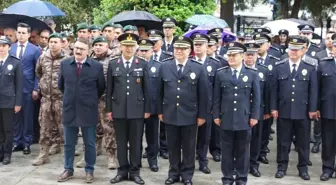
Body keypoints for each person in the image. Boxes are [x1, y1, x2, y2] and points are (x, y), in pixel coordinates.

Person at [157, 36, 208, 185]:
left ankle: (187, 175)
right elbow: (159, 92)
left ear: (189, 50)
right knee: (172, 146)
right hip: (170, 113)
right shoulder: (165, 66)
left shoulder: (198, 67)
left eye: (183, 48)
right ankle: (173, 174)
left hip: (190, 114)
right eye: (176, 48)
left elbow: (204, 94)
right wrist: (160, 111)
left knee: (188, 147)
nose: (179, 51)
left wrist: (202, 115)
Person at [57, 38, 105, 183]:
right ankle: (68, 169)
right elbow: (61, 85)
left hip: (88, 109)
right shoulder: (65, 64)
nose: (78, 51)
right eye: (76, 48)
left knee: (90, 143)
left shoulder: (96, 66)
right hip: (70, 108)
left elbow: (101, 88)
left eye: (82, 49)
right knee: (69, 143)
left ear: (88, 51)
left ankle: (89, 170)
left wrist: (88, 99)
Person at [213, 42, 260, 185]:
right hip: (226, 118)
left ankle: (241, 178)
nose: (231, 58)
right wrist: (216, 115)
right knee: (226, 151)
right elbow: (216, 97)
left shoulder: (252, 74)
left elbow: (257, 98)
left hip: (244, 118)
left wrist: (254, 116)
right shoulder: (221, 73)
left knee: (243, 152)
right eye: (229, 55)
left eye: (234, 55)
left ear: (242, 56)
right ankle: (227, 178)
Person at [270, 36, 317, 180]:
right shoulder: (280, 66)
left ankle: (303, 168)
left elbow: (313, 90)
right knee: (283, 141)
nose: (294, 52)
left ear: (303, 50)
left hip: (302, 110)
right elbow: (274, 90)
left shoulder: (310, 67)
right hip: (284, 109)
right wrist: (273, 108)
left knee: (303, 142)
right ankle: (281, 167)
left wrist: (313, 108)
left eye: (297, 50)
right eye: (291, 49)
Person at [107, 33, 150, 185]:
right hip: (118, 109)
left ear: (136, 47)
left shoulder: (143, 64)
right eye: (126, 45)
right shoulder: (113, 64)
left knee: (136, 142)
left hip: (137, 110)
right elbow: (110, 89)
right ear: (121, 46)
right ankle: (122, 171)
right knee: (120, 142)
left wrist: (147, 109)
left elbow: (147, 90)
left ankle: (135, 171)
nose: (129, 48)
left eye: (132, 46)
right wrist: (109, 109)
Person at [76, 36, 118, 170]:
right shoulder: (88, 60)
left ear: (107, 46)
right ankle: (89, 154)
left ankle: (111, 156)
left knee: (109, 129)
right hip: (90, 100)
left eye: (101, 45)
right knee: (90, 128)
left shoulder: (113, 60)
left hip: (106, 100)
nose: (98, 47)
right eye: (96, 45)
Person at [32, 33, 69, 166]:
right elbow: (39, 73)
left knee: (64, 127)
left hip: (61, 99)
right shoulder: (43, 58)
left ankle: (68, 154)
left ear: (61, 43)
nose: (52, 44)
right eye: (51, 41)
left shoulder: (67, 59)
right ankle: (43, 154)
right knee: (45, 127)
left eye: (55, 42)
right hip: (46, 99)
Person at [190, 33, 221, 174]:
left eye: (200, 44)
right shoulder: (189, 62)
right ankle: (189, 162)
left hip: (207, 107)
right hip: (190, 106)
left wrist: (215, 108)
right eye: (195, 44)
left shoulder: (215, 64)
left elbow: (217, 89)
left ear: (207, 46)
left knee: (204, 137)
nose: (197, 47)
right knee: (189, 137)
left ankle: (203, 162)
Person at [10, 23, 41, 155]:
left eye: (24, 33)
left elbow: (38, 71)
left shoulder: (35, 50)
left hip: (28, 87)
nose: (21, 35)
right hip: (12, 88)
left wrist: (36, 88)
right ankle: (17, 141)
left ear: (29, 34)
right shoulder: (10, 48)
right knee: (16, 116)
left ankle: (27, 142)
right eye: (19, 32)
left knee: (28, 116)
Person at [244, 42, 271, 177]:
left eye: (252, 55)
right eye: (247, 54)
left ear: (256, 55)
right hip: (241, 111)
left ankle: (253, 165)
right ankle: (240, 165)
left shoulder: (264, 70)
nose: (250, 57)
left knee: (256, 139)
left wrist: (267, 111)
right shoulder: (237, 69)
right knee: (241, 140)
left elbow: (267, 92)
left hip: (258, 111)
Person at [253, 33, 279, 164]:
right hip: (253, 105)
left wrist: (270, 108)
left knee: (265, 131)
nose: (258, 47)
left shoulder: (274, 61)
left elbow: (274, 87)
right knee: (254, 133)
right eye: (256, 44)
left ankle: (262, 152)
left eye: (261, 44)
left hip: (266, 103)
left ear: (268, 45)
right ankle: (253, 155)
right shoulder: (251, 59)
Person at [146, 29, 173, 159]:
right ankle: (150, 148)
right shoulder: (145, 55)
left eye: (155, 41)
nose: (153, 44)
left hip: (163, 95)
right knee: (150, 126)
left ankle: (164, 148)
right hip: (149, 97)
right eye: (151, 41)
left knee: (163, 125)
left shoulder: (168, 56)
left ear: (161, 42)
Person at [138, 39, 161, 172]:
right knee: (136, 138)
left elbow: (161, 90)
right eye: (141, 50)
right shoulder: (135, 64)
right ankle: (136, 161)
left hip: (152, 108)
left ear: (152, 51)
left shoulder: (159, 66)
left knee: (152, 137)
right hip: (137, 109)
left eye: (146, 50)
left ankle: (153, 161)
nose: (143, 52)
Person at [0, 36, 23, 165]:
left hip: (8, 101)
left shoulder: (15, 62)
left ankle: (7, 154)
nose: (1, 49)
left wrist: (18, 102)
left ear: (9, 47)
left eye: (4, 46)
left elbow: (19, 85)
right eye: (0, 46)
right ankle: (0, 152)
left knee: (8, 129)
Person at [317, 33, 336, 181]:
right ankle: (327, 169)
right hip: (328, 109)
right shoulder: (323, 64)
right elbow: (317, 89)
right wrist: (316, 107)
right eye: (335, 46)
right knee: (328, 141)